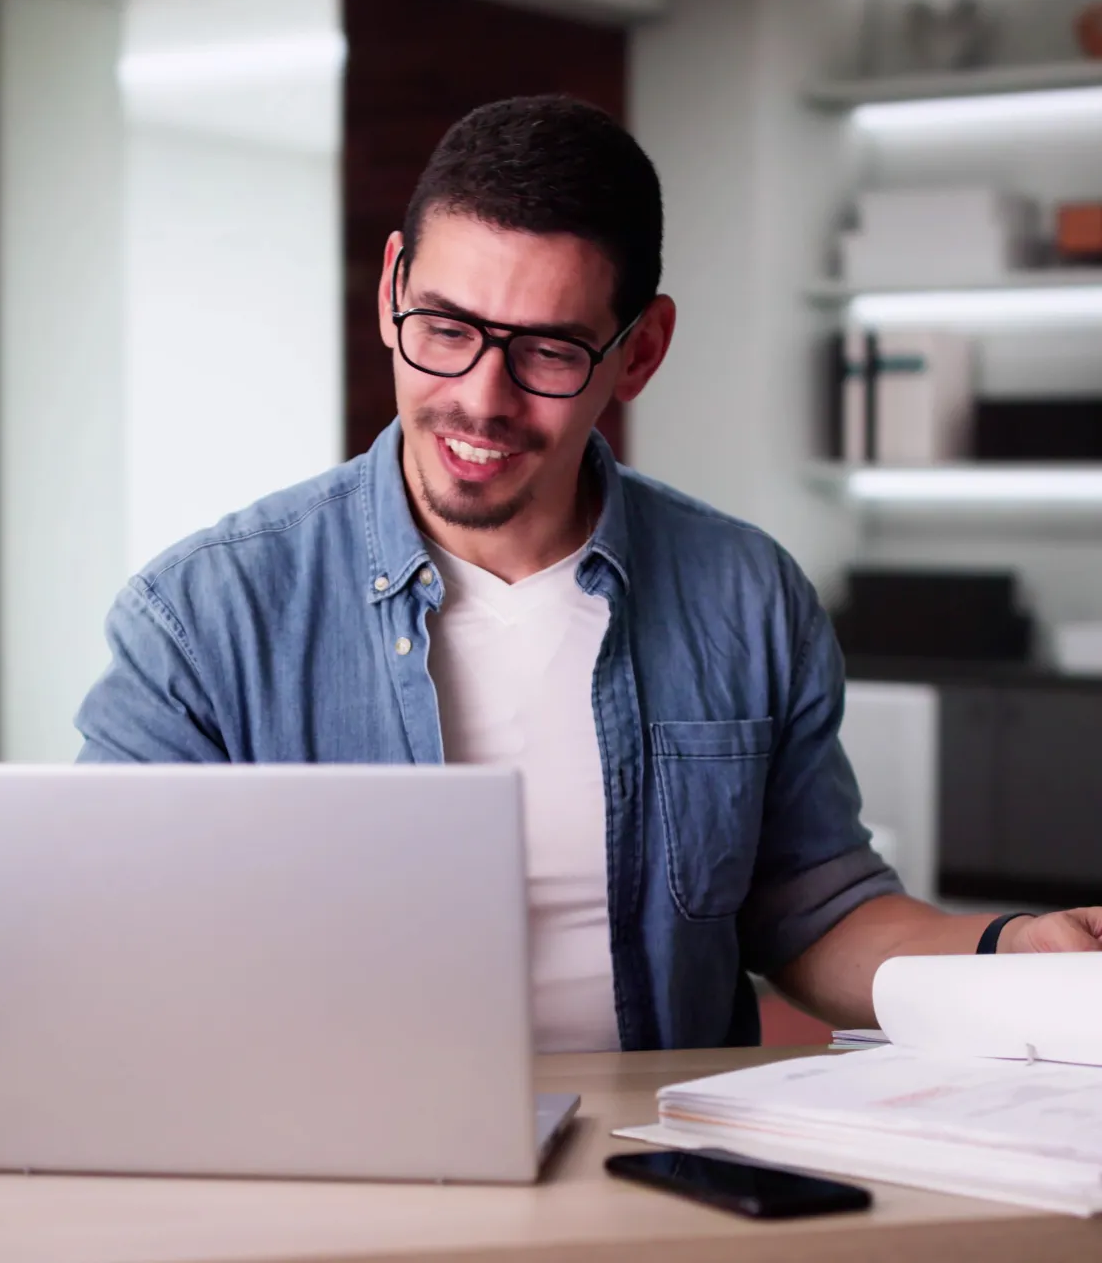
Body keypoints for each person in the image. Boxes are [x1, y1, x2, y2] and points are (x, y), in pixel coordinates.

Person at [76, 95, 1102, 1052]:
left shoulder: (746, 597)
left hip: (659, 1177)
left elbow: (809, 911)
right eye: (444, 328)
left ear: (640, 351)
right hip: (339, 1170)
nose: (481, 400)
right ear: (393, 288)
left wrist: (1008, 952)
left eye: (550, 352)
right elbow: (105, 944)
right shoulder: (204, 616)